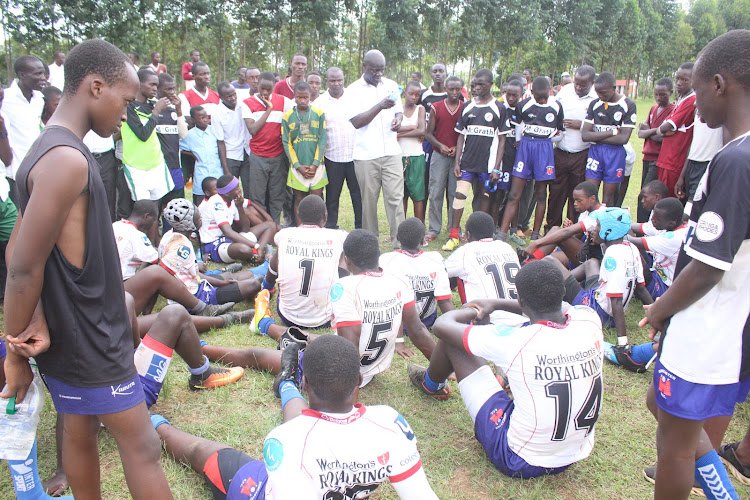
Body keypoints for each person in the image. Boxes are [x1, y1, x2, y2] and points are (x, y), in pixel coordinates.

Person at [0, 38, 174, 500]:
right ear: (96, 87)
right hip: (91, 336)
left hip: (71, 330)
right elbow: (20, 269)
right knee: (143, 447)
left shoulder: (44, 150)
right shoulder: (67, 161)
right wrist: (15, 351)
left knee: (77, 430)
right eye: (126, 100)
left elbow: (16, 248)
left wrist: (35, 318)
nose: (127, 114)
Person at [641, 30, 750, 500]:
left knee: (676, 448)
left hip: (710, 323)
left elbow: (707, 267)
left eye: (697, 89)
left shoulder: (737, 161)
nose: (693, 102)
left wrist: (660, 308)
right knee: (658, 406)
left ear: (720, 85)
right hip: (729, 322)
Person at [152, 335, 439, 499]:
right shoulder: (390, 423)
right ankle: (285, 382)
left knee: (205, 453)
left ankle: (153, 424)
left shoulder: (284, 439)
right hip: (308, 453)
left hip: (267, 488)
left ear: (307, 385)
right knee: (303, 430)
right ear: (359, 381)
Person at [408, 259, 604, 478]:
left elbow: (443, 326)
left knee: (454, 341)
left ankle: (431, 384)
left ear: (520, 298)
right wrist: (495, 304)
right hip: (573, 454)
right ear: (562, 292)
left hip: (519, 458)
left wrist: (475, 311)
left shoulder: (517, 340)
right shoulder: (588, 319)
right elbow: (564, 308)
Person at [330, 229, 436, 382]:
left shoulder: (344, 287)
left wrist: (350, 393)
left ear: (347, 261)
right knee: (312, 339)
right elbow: (417, 330)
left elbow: (349, 343)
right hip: (372, 367)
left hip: (349, 374)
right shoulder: (400, 281)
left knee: (291, 354)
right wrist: (441, 368)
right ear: (378, 254)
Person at [548, 207, 653, 346]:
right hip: (605, 307)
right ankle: (565, 285)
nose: (593, 229)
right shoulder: (631, 248)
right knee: (591, 264)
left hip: (595, 310)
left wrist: (623, 342)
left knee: (550, 261)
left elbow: (615, 300)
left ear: (607, 231)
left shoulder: (613, 256)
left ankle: (545, 292)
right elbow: (640, 288)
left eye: (597, 225)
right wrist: (654, 312)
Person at [253, 195, 346, 335]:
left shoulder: (285, 234)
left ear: (298, 215)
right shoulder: (338, 237)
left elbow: (278, 253)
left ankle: (267, 288)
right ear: (325, 217)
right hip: (325, 318)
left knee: (281, 251)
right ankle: (342, 298)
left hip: (288, 316)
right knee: (343, 254)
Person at [442, 69, 507, 252]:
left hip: (487, 166)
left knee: (483, 201)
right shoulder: (468, 106)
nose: (476, 88)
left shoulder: (499, 108)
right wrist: (457, 161)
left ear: (491, 85)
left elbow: (502, 140)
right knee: (459, 197)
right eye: (474, 84)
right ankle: (454, 236)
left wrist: (496, 168)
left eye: (481, 84)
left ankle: (478, 238)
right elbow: (461, 136)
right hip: (467, 163)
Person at [347, 49, 405, 248]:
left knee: (396, 200)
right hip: (366, 156)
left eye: (381, 70)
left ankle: (400, 245)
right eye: (374, 70)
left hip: (391, 152)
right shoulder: (353, 90)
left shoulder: (390, 85)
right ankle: (370, 246)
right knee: (368, 203)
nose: (379, 74)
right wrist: (380, 106)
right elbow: (356, 121)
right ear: (364, 66)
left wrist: (397, 120)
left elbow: (399, 112)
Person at [497, 76, 564, 242]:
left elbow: (561, 132)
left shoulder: (556, 106)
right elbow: (518, 125)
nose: (542, 100)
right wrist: (520, 141)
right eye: (538, 97)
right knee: (514, 193)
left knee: (541, 193)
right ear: (532, 92)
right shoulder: (524, 105)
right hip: (525, 148)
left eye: (545, 96)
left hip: (544, 150)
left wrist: (548, 142)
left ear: (550, 91)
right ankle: (502, 234)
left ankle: (535, 234)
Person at [161, 198, 262, 305]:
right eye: (198, 217)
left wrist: (221, 283)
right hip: (198, 296)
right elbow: (168, 275)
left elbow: (194, 275)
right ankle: (261, 272)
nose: (201, 217)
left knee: (228, 276)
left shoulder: (169, 236)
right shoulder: (181, 246)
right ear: (188, 223)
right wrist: (220, 284)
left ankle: (256, 270)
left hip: (197, 284)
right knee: (253, 285)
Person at [547, 65, 597, 229]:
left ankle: (572, 230)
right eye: (577, 83)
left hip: (582, 153)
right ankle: (551, 228)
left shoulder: (597, 98)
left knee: (577, 195)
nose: (578, 87)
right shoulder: (565, 92)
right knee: (555, 192)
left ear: (592, 82)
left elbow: (602, 127)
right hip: (561, 152)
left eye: (583, 85)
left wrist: (581, 125)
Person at [380, 218, 454, 328]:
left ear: (397, 238)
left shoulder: (386, 260)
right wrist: (456, 324)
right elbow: (444, 301)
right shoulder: (436, 259)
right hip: (427, 321)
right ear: (423, 240)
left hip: (397, 324)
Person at [242, 71, 295, 224]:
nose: (265, 92)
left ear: (274, 87)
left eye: (268, 89)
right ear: (256, 84)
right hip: (258, 156)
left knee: (277, 195)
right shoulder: (247, 103)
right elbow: (252, 130)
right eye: (262, 88)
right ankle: (261, 228)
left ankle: (274, 227)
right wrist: (269, 109)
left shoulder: (285, 102)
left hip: (278, 156)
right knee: (257, 197)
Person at [580, 72, 637, 207]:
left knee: (608, 198)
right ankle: (587, 227)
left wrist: (596, 137)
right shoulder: (595, 104)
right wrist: (612, 132)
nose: (600, 96)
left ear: (614, 88)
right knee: (589, 193)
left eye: (603, 93)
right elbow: (585, 136)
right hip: (595, 153)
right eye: (597, 92)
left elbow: (623, 138)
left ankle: (605, 227)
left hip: (614, 154)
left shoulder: (628, 105)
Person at [316, 67, 362, 230]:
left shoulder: (354, 98)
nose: (336, 84)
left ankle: (360, 227)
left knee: (358, 195)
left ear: (344, 80)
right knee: (332, 196)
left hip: (355, 156)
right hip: (332, 157)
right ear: (327, 81)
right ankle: (331, 227)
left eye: (339, 80)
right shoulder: (319, 103)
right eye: (333, 80)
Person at [120, 69, 175, 205]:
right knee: (143, 209)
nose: (155, 89)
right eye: (152, 85)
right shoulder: (129, 106)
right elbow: (143, 134)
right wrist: (156, 111)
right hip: (136, 166)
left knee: (156, 209)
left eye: (157, 85)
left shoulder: (151, 105)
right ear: (139, 84)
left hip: (156, 164)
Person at [521, 181, 604, 267]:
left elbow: (566, 232)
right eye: (574, 200)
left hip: (593, 260)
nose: (575, 204)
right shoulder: (586, 212)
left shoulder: (599, 213)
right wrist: (572, 229)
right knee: (548, 259)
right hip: (583, 252)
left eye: (579, 201)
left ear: (592, 199)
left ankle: (527, 263)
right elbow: (578, 238)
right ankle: (529, 262)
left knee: (557, 231)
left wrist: (536, 243)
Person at [445, 211, 520, 305]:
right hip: (520, 313)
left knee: (455, 274)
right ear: (492, 233)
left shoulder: (465, 251)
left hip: (487, 316)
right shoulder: (507, 247)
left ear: (468, 234)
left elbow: (441, 271)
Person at [199, 174, 276, 263]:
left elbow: (245, 229)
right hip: (213, 244)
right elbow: (228, 232)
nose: (240, 190)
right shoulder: (217, 203)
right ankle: (257, 252)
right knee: (244, 249)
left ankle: (258, 253)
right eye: (237, 188)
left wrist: (239, 207)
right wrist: (255, 245)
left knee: (270, 225)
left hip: (228, 240)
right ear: (227, 193)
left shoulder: (232, 201)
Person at [281, 80, 328, 225]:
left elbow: (322, 140)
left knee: (317, 200)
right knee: (299, 199)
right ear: (294, 97)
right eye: (299, 97)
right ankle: (301, 229)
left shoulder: (319, 113)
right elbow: (287, 143)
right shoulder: (287, 116)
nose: (303, 100)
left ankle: (318, 230)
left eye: (306, 97)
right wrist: (298, 166)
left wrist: (314, 164)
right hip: (297, 167)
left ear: (310, 96)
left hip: (317, 166)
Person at [623, 197, 686, 301]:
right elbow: (634, 227)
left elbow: (632, 240)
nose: (652, 220)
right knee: (627, 233)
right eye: (653, 216)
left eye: (657, 219)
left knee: (632, 251)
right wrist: (623, 225)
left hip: (666, 288)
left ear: (672, 223)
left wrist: (614, 227)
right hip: (658, 272)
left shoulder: (674, 238)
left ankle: (643, 295)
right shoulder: (665, 225)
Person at [424, 75, 464, 242]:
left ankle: (454, 229)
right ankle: (434, 229)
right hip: (439, 156)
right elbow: (428, 133)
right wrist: (440, 145)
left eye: (457, 89)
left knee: (455, 194)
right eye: (451, 89)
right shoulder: (436, 107)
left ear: (461, 90)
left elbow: (466, 133)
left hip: (458, 158)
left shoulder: (465, 108)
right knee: (435, 192)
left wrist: (457, 149)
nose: (454, 92)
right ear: (446, 89)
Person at [1, 55, 45, 197]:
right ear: (22, 74)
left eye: (43, 73)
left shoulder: (39, 100)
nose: (43, 77)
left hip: (36, 172)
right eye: (38, 73)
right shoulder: (5, 100)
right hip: (15, 174)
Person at [636, 78, 675, 222]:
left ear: (671, 93)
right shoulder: (653, 109)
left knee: (646, 195)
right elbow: (641, 133)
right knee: (644, 192)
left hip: (658, 158)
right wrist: (656, 131)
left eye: (663, 95)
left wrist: (650, 131)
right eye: (656, 94)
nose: (659, 98)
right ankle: (643, 224)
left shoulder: (672, 110)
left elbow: (664, 137)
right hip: (647, 156)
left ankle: (643, 226)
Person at [655, 62, 696, 198]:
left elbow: (665, 127)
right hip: (666, 158)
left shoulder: (692, 101)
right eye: (677, 79)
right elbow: (662, 130)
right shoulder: (681, 99)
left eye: (684, 80)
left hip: (674, 161)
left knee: (667, 200)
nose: (679, 83)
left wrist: (665, 129)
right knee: (659, 197)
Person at [155, 73, 189, 214]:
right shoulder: (152, 109)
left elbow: (183, 135)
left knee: (174, 206)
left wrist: (179, 111)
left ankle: (172, 235)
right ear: (158, 89)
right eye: (168, 89)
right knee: (157, 204)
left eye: (173, 89)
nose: (172, 92)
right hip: (157, 167)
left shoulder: (174, 110)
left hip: (175, 165)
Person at [675, 109, 724, 206]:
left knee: (691, 208)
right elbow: (694, 143)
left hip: (708, 163)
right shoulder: (697, 110)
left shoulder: (723, 109)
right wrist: (682, 176)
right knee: (688, 205)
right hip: (692, 164)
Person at [181, 105, 224, 206]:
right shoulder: (189, 135)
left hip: (217, 171)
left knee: (220, 200)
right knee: (201, 202)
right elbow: (179, 147)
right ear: (193, 120)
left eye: (207, 117)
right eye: (201, 118)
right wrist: (191, 154)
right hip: (201, 174)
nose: (206, 120)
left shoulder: (214, 130)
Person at [215, 81, 251, 198]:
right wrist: (226, 169)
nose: (233, 98)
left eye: (234, 94)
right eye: (229, 96)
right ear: (221, 97)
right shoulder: (217, 113)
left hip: (246, 152)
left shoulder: (242, 106)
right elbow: (220, 142)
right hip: (230, 155)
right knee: (231, 191)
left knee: (249, 188)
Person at [398, 80, 427, 223]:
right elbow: (392, 129)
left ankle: (419, 231)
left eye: (417, 95)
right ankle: (400, 230)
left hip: (416, 156)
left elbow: (422, 130)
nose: (414, 97)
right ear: (404, 93)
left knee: (418, 195)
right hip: (398, 156)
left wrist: (399, 135)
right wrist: (411, 128)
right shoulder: (397, 109)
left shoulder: (420, 109)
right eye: (411, 94)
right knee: (401, 195)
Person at [113, 200, 160, 280]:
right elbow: (155, 259)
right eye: (153, 221)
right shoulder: (137, 236)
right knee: (158, 269)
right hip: (122, 281)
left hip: (105, 278)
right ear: (146, 216)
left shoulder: (115, 225)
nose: (152, 224)